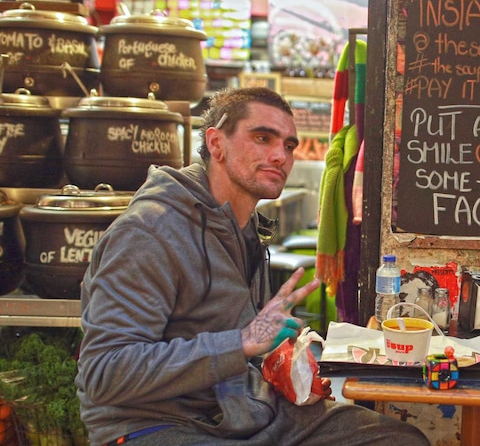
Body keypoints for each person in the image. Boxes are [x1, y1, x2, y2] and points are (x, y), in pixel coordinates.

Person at [75, 87, 430, 446]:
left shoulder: (244, 228)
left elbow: (238, 337)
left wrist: (285, 360)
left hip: (247, 414)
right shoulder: (151, 231)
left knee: (398, 439)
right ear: (216, 144)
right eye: (262, 138)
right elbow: (105, 372)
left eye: (289, 146)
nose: (280, 156)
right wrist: (241, 343)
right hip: (159, 426)